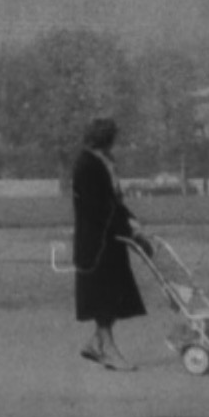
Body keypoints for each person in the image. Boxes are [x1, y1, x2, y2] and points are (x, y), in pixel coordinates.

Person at [71, 118, 146, 369]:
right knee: (103, 298)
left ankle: (96, 344)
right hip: (97, 243)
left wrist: (132, 223)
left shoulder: (104, 161)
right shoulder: (87, 165)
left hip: (109, 240)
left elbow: (114, 201)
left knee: (115, 296)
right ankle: (109, 351)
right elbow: (99, 208)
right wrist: (128, 228)